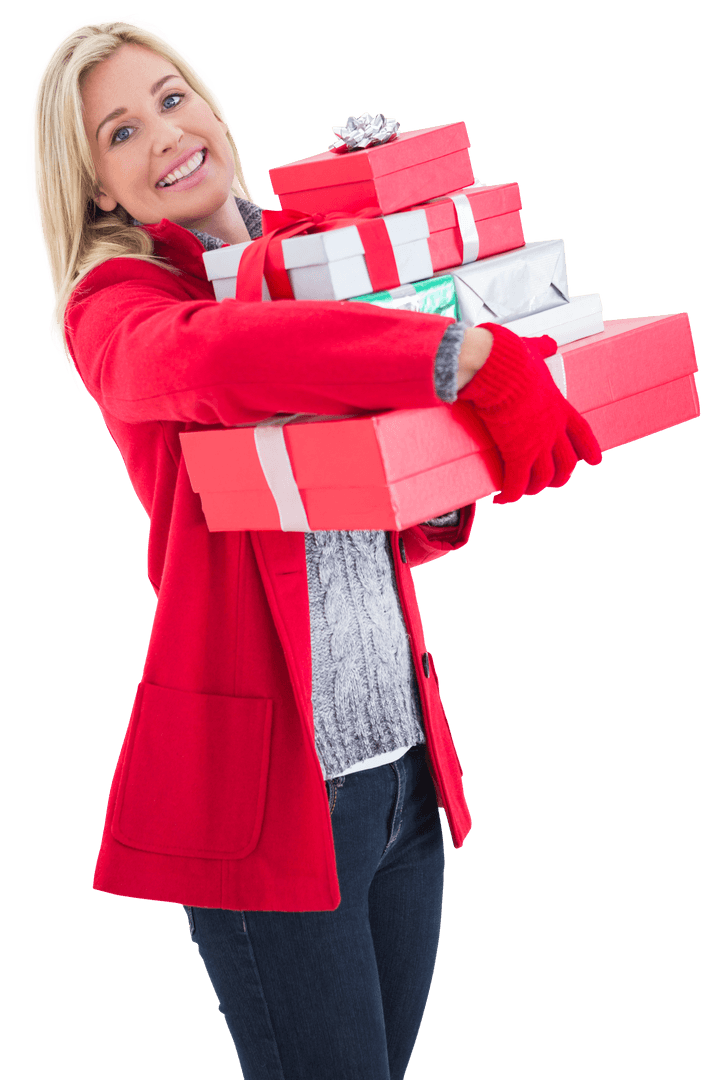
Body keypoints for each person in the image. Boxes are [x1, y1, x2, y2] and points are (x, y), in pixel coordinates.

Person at [30, 17, 602, 1080]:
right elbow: (217, 362)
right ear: (99, 188)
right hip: (267, 795)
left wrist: (446, 481)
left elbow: (360, 503)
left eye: (170, 96)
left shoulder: (298, 270)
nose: (163, 133)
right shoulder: (119, 311)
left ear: (209, 104)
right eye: (118, 131)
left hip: (398, 773)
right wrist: (458, 353)